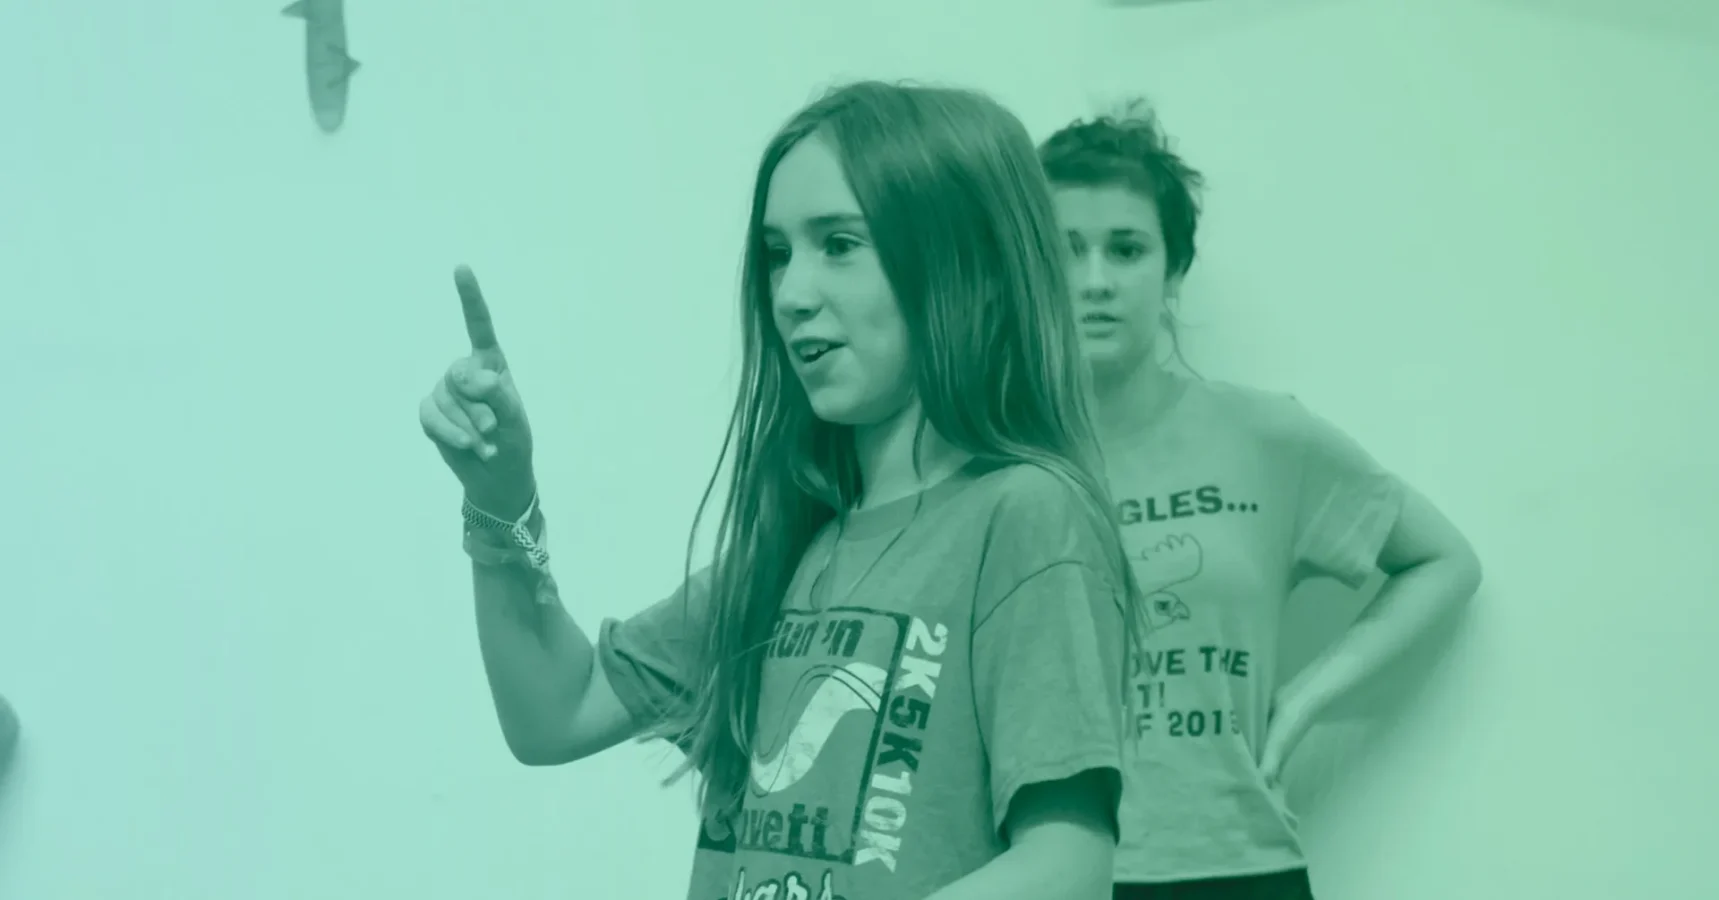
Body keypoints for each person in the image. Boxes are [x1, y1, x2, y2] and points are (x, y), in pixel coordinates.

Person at [418, 81, 1147, 900]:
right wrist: (499, 499)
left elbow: (1066, 868)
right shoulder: (792, 544)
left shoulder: (1026, 514)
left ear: (960, 262)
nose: (793, 292)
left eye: (839, 243)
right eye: (777, 253)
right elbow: (554, 713)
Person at [1039, 103, 1484, 900]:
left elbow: (1443, 563)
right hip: (1050, 873)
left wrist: (1303, 699)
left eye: (1127, 249)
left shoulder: (1266, 439)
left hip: (1234, 862)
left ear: (1173, 271)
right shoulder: (997, 460)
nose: (1095, 280)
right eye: (1065, 250)